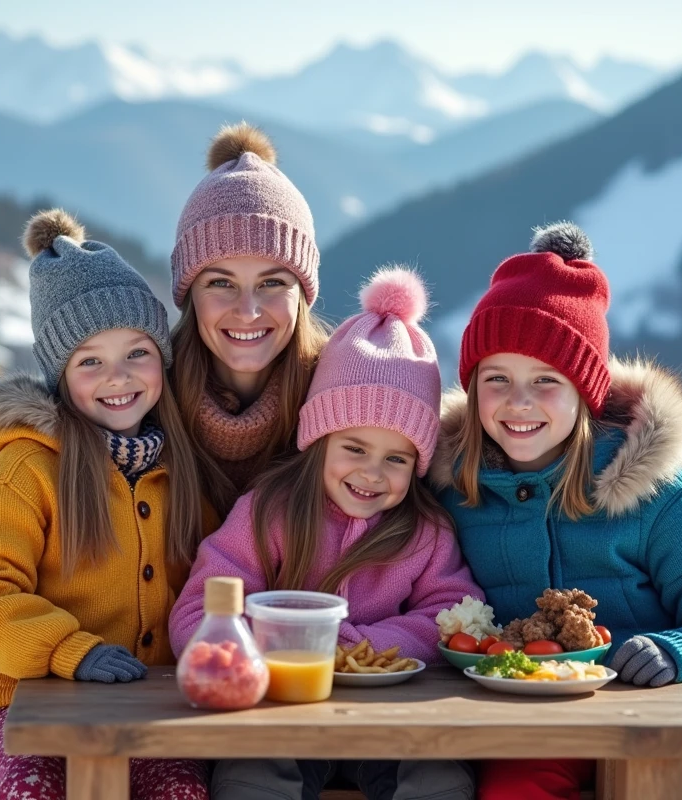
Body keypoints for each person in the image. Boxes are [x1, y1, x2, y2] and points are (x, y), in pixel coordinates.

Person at [430, 222, 682, 800]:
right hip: (537, 720)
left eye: (545, 380)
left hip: (674, 715)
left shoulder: (655, 495)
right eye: (497, 379)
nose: (519, 402)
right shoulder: (459, 492)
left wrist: (679, 652)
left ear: (585, 391)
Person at [172, 268, 480, 800]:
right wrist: (286, 645)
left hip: (391, 722)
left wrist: (366, 646)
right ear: (318, 439)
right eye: (353, 448)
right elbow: (202, 610)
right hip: (279, 713)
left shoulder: (423, 533)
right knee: (251, 779)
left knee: (440, 779)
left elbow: (453, 614)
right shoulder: (271, 511)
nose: (371, 473)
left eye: (397, 459)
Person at [0, 210, 211, 800]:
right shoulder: (25, 471)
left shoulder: (179, 469)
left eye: (137, 353)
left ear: (162, 359)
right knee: (45, 791)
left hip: (145, 712)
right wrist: (69, 649)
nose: (118, 377)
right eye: (90, 360)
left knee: (183, 791)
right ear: (60, 375)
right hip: (18, 707)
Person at [170, 122, 329, 518]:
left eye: (271, 282)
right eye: (221, 282)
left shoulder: (342, 397)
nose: (247, 311)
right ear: (190, 293)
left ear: (302, 293)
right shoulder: (142, 396)